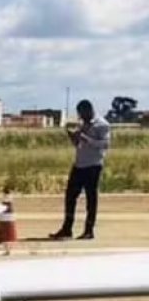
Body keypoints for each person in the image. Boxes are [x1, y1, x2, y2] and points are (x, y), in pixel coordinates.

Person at [50, 99, 110, 240]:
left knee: (91, 198)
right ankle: (67, 228)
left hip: (93, 165)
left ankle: (89, 230)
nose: (80, 117)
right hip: (79, 164)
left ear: (89, 110)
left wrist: (86, 138)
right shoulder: (83, 124)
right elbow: (78, 145)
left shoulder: (102, 124)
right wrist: (73, 137)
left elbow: (104, 144)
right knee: (70, 196)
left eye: (82, 113)